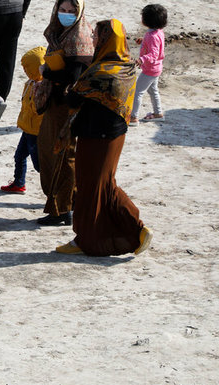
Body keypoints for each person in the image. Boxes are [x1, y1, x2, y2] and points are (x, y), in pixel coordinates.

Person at [55, 19, 153, 256]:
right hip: (115, 136)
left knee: (90, 187)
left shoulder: (100, 72)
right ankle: (133, 230)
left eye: (97, 36)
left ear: (107, 40)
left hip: (95, 137)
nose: (93, 39)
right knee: (104, 183)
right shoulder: (127, 66)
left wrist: (67, 84)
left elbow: (73, 100)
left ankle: (95, 238)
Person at [36, 0, 94, 226]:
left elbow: (74, 75)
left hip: (67, 105)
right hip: (56, 101)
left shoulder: (79, 37)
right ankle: (68, 202)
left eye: (71, 11)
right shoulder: (61, 32)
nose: (66, 14)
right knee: (51, 151)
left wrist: (47, 72)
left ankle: (62, 210)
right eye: (62, 9)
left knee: (62, 155)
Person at [0, 46, 46, 194]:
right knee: (19, 155)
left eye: (28, 68)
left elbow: (37, 110)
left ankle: (53, 187)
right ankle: (19, 183)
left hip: (36, 132)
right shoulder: (30, 83)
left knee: (40, 165)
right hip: (27, 128)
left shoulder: (42, 87)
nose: (25, 70)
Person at [129, 4, 168, 126]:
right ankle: (158, 113)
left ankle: (133, 117)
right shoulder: (157, 32)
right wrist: (143, 40)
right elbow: (154, 45)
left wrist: (141, 59)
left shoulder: (152, 36)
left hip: (150, 70)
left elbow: (154, 54)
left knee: (137, 92)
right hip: (156, 69)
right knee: (153, 90)